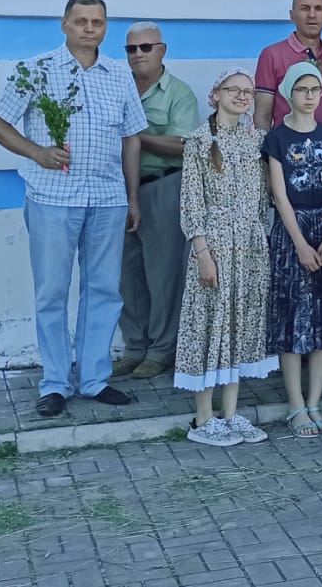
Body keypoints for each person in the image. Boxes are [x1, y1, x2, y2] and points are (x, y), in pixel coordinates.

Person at [0, 0, 147, 418]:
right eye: (81, 21)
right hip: (52, 199)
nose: (89, 28)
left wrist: (132, 198)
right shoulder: (37, 70)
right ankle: (55, 382)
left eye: (97, 22)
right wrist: (37, 152)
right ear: (64, 24)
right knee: (52, 291)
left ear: (105, 27)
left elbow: (131, 138)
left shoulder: (119, 74)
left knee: (104, 290)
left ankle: (94, 378)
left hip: (108, 199)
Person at [174, 68, 276, 446]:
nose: (243, 96)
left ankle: (231, 414)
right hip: (214, 245)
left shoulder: (255, 141)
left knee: (238, 326)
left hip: (248, 245)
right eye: (234, 89)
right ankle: (203, 418)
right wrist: (202, 252)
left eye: (248, 91)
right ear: (215, 94)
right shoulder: (199, 142)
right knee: (209, 325)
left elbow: (264, 195)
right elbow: (191, 202)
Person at [114, 21, 200, 381]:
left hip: (162, 186)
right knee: (124, 275)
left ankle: (162, 350)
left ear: (162, 50)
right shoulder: (116, 87)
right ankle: (134, 347)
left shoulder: (178, 93)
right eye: (131, 49)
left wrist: (135, 135)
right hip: (117, 190)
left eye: (146, 47)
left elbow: (183, 144)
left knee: (162, 275)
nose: (138, 54)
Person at [264, 62, 322, 438]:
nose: (309, 97)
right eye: (302, 89)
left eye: (315, 90)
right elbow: (279, 196)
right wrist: (299, 243)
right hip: (291, 231)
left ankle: (315, 403)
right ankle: (295, 405)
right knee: (292, 316)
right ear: (289, 93)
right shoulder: (276, 138)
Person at [253, 0, 322, 132]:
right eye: (305, 8)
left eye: (319, 9)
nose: (312, 15)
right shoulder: (272, 55)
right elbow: (263, 114)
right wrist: (265, 144)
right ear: (292, 15)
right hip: (287, 143)